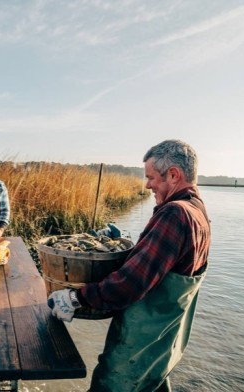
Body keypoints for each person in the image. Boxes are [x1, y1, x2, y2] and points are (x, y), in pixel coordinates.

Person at [48, 140, 211, 392]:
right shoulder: (198, 211)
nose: (147, 185)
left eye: (151, 177)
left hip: (137, 346)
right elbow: (162, 265)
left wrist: (76, 297)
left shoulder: (175, 214)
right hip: (162, 343)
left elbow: (131, 283)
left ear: (174, 174)